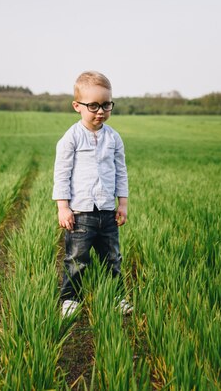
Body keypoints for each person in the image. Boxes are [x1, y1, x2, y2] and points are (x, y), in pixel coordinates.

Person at [52, 71, 133, 318]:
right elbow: (62, 173)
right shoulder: (71, 138)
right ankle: (70, 299)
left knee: (112, 258)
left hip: (108, 211)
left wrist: (123, 204)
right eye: (93, 105)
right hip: (81, 212)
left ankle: (116, 297)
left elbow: (121, 171)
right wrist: (63, 207)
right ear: (77, 106)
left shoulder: (114, 138)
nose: (101, 111)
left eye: (106, 105)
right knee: (77, 259)